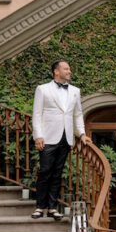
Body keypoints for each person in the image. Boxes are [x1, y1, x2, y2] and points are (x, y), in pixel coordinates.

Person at [31, 60, 90, 221]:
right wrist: (38, 135)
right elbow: (37, 114)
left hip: (66, 137)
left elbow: (78, 114)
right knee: (45, 172)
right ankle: (40, 207)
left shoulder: (75, 91)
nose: (69, 71)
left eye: (69, 69)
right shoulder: (43, 89)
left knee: (57, 173)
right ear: (56, 71)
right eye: (66, 69)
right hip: (48, 137)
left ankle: (52, 208)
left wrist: (82, 133)